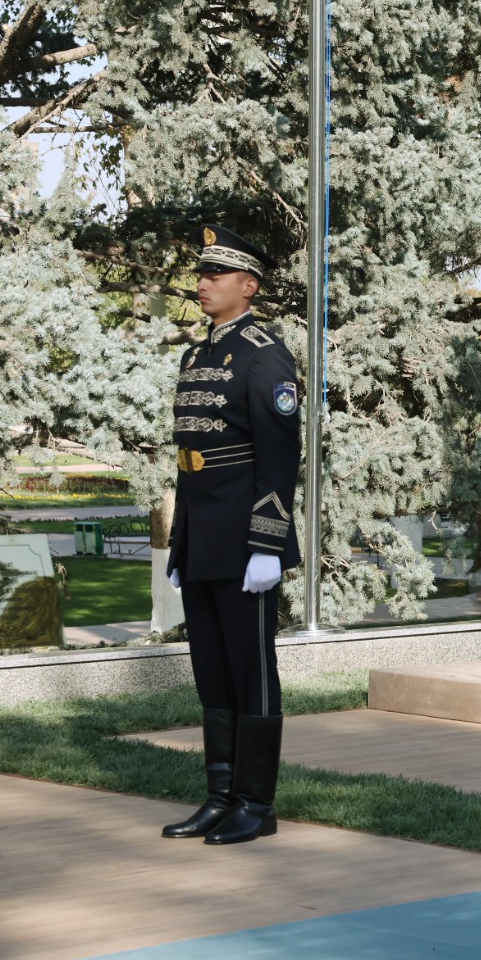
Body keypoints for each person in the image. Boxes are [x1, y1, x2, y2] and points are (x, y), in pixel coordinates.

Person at [162, 224, 301, 845]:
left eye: (216, 274)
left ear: (249, 286)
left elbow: (279, 457)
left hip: (246, 541)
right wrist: (181, 542)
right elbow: (191, 460)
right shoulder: (197, 355)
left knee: (252, 671)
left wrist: (267, 545)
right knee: (212, 672)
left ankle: (256, 804)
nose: (203, 283)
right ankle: (220, 797)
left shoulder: (264, 355)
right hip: (203, 540)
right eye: (202, 273)